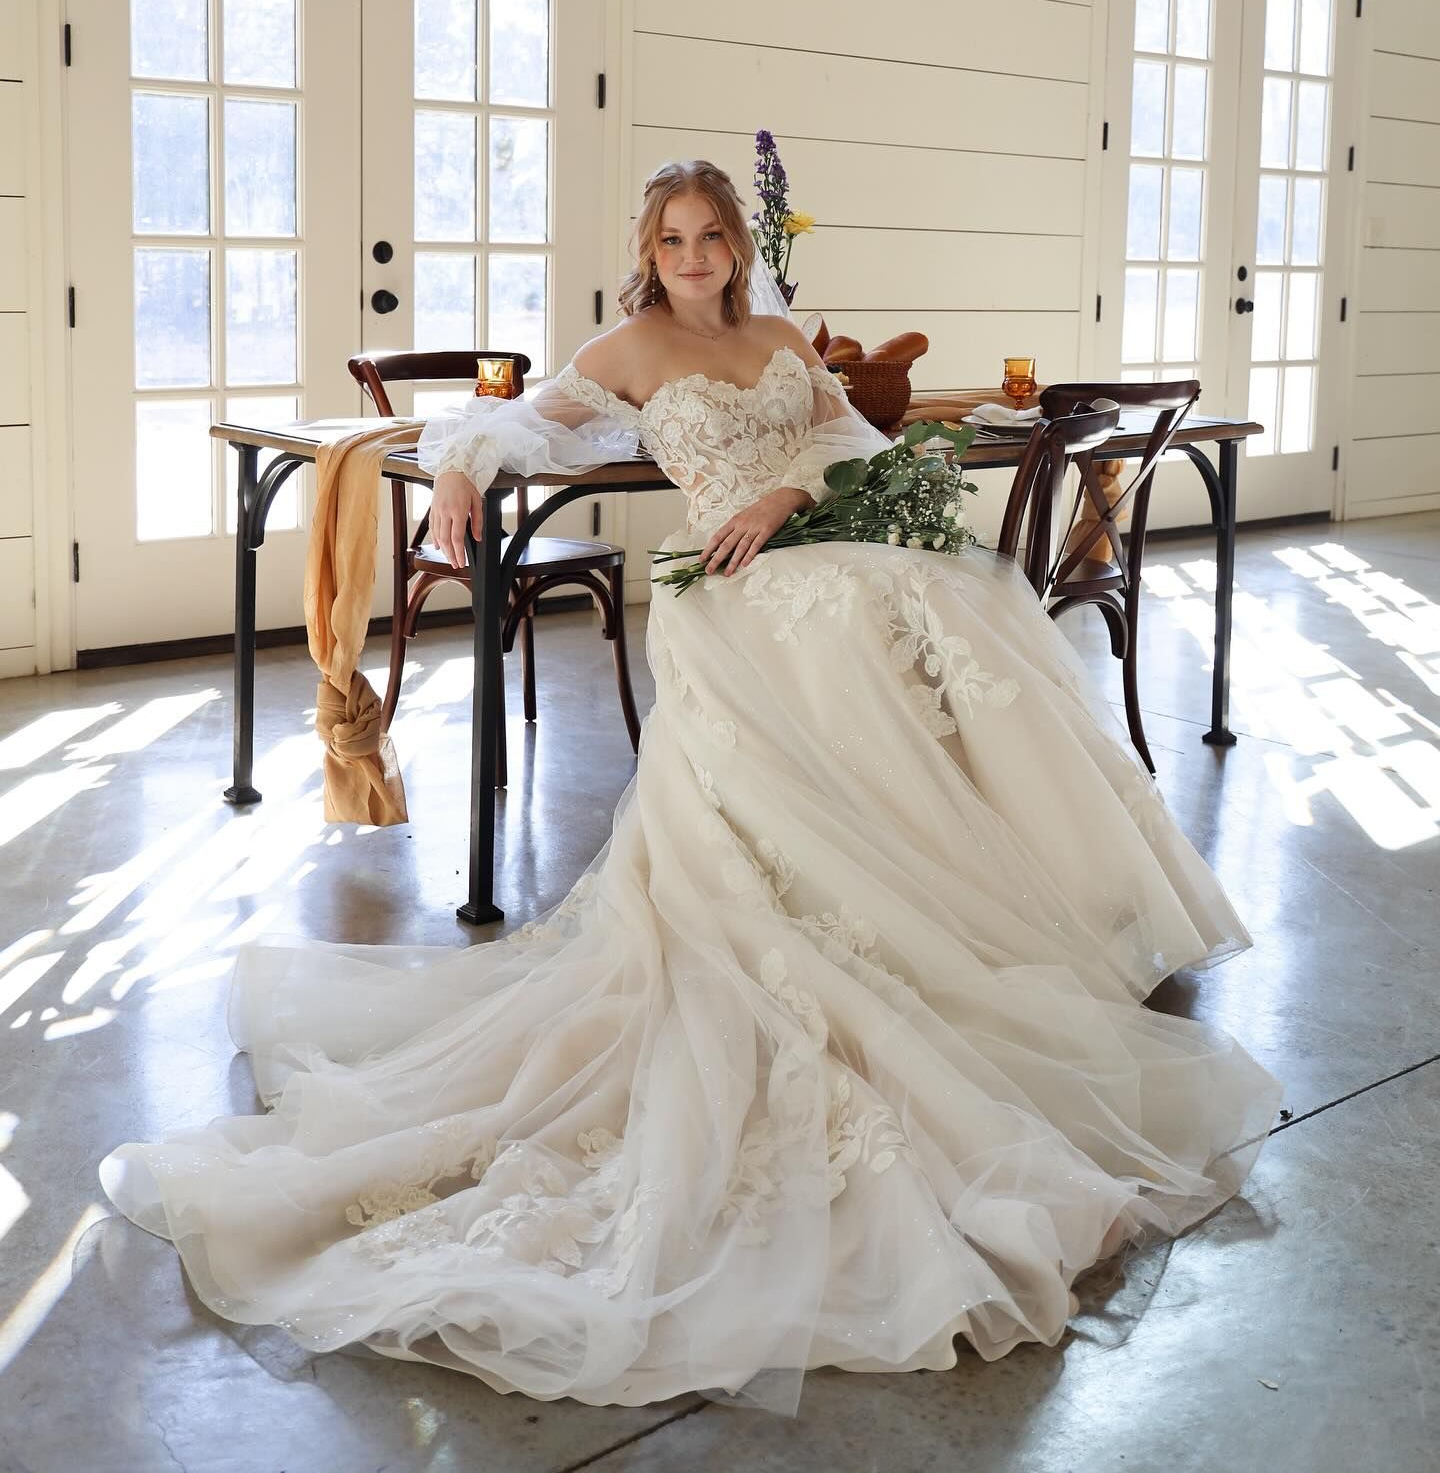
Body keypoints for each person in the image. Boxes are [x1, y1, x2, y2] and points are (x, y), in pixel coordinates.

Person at [99, 159, 1281, 1416]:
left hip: (815, 533)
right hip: (730, 580)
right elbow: (519, 420)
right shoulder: (629, 349)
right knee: (853, 610)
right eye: (674, 239)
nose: (697, 256)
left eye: (713, 234)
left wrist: (791, 488)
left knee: (946, 595)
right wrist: (457, 469)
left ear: (737, 245)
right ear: (650, 252)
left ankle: (1012, 905)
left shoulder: (780, 337)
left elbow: (852, 435)